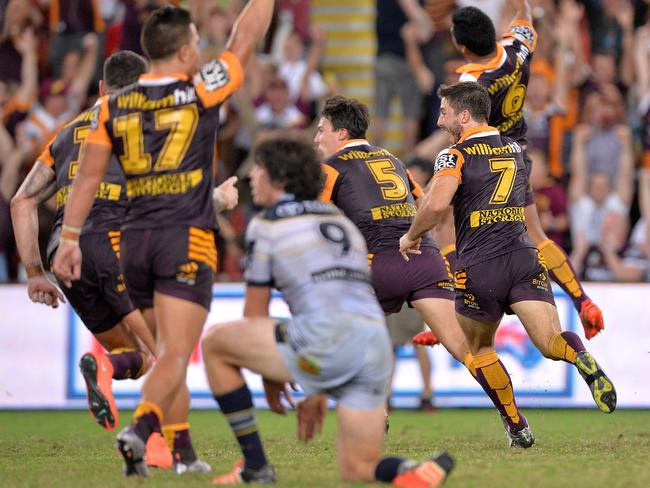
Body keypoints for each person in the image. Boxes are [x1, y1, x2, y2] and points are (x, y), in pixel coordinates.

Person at [52, 2, 274, 477]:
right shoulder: (200, 89)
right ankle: (139, 430)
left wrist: (68, 239)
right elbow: (245, 38)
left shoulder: (113, 105)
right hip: (184, 240)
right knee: (173, 354)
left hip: (131, 242)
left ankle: (174, 450)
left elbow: (87, 178)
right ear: (189, 49)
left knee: (158, 355)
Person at [201, 134, 454, 486]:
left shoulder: (267, 223)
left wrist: (275, 376)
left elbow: (255, 314)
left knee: (215, 343)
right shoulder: (342, 223)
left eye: (257, 169)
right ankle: (412, 470)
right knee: (359, 469)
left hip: (326, 340)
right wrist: (317, 385)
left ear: (279, 178)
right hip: (373, 346)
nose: (251, 177)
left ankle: (255, 466)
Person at [399, 81, 616, 446]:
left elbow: (437, 207)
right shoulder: (515, 150)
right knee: (549, 341)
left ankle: (517, 426)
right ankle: (580, 358)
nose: (439, 121)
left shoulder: (453, 155)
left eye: (445, 112)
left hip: (480, 266)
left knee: (480, 350)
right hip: (523, 258)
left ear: (464, 115)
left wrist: (412, 235)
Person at [315, 95, 539, 446]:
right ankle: (516, 422)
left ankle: (375, 412)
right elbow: (426, 202)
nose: (317, 138)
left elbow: (316, 219)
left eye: (321, 130)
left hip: (378, 263)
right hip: (424, 257)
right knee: (468, 349)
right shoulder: (391, 159)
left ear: (341, 133)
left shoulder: (329, 168)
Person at [419, 0, 605, 343]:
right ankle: (583, 300)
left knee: (443, 226)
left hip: (483, 161)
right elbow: (525, 17)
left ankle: (450, 319)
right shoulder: (518, 47)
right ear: (494, 33)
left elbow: (454, 125)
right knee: (535, 236)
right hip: (517, 155)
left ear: (462, 47)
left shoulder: (470, 79)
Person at [11, 50, 156, 433]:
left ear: (102, 88)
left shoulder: (64, 134)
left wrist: (33, 273)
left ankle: (105, 367)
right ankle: (165, 447)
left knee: (135, 354)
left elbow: (21, 201)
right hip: (113, 242)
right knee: (166, 348)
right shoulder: (144, 125)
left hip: (64, 256)